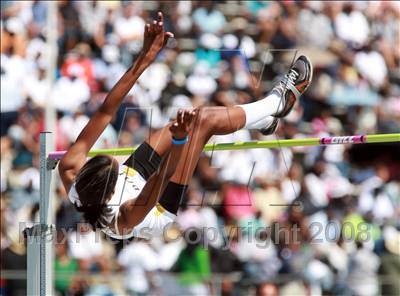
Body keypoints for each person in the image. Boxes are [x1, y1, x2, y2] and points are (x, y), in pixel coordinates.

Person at [58, 12, 313, 240]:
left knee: (181, 122)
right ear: (110, 188)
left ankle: (263, 119)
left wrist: (145, 57)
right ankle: (277, 102)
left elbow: (105, 110)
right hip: (155, 208)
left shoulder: (69, 167)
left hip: (133, 179)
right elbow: (163, 176)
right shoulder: (123, 218)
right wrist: (181, 140)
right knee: (203, 122)